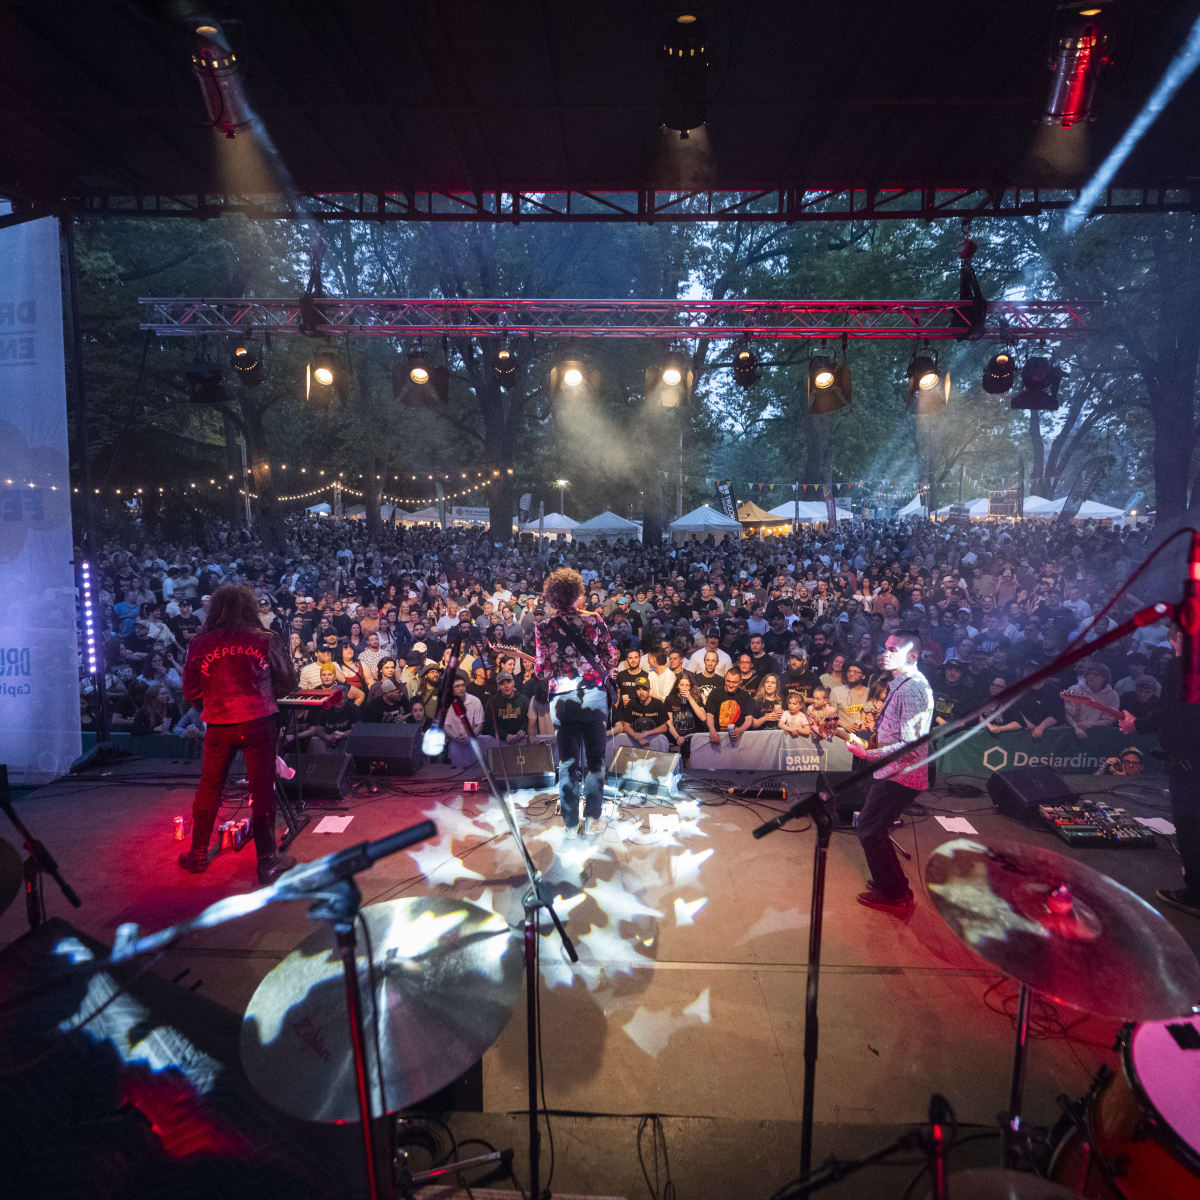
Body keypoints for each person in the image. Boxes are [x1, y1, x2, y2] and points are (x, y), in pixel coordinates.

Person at [178, 584, 297, 884]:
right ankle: (267, 862)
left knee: (210, 787)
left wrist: (214, 703)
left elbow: (191, 691)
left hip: (218, 722)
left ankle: (197, 854)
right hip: (258, 721)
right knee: (262, 790)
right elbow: (287, 683)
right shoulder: (265, 639)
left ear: (214, 609)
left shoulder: (200, 643)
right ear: (249, 608)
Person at [844, 630, 935, 913]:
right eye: (885, 647)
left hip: (902, 775)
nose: (886, 652)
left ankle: (896, 893)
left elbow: (909, 745)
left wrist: (868, 753)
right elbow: (894, 729)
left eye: (893, 649)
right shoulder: (900, 682)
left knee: (870, 830)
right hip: (891, 771)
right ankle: (889, 883)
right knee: (874, 829)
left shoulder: (913, 688)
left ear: (913, 656)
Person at [1118, 627, 1200, 918]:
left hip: (1191, 760)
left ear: (1176, 638)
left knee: (1191, 825)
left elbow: (1174, 711)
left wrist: (1136, 725)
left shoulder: (1184, 665)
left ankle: (1195, 893)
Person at [533, 567, 618, 835]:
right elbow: (610, 658)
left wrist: (561, 666)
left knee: (568, 762)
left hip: (563, 699)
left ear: (552, 596)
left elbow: (541, 671)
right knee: (595, 760)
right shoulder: (594, 620)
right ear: (577, 593)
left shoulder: (545, 627)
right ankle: (592, 819)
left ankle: (570, 823)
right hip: (593, 695)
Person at [704, 667, 757, 745]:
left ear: (740, 682)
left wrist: (741, 729)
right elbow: (709, 715)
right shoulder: (715, 693)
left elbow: (749, 718)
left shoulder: (746, 696)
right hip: (718, 737)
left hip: (738, 738)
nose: (731, 685)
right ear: (725, 679)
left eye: (734, 682)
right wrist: (712, 730)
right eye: (728, 681)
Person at [613, 680, 669, 747]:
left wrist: (646, 733)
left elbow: (664, 728)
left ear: (649, 690)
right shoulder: (632, 703)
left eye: (644, 689)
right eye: (638, 689)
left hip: (653, 738)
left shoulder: (658, 704)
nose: (641, 692)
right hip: (635, 738)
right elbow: (626, 726)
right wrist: (637, 738)